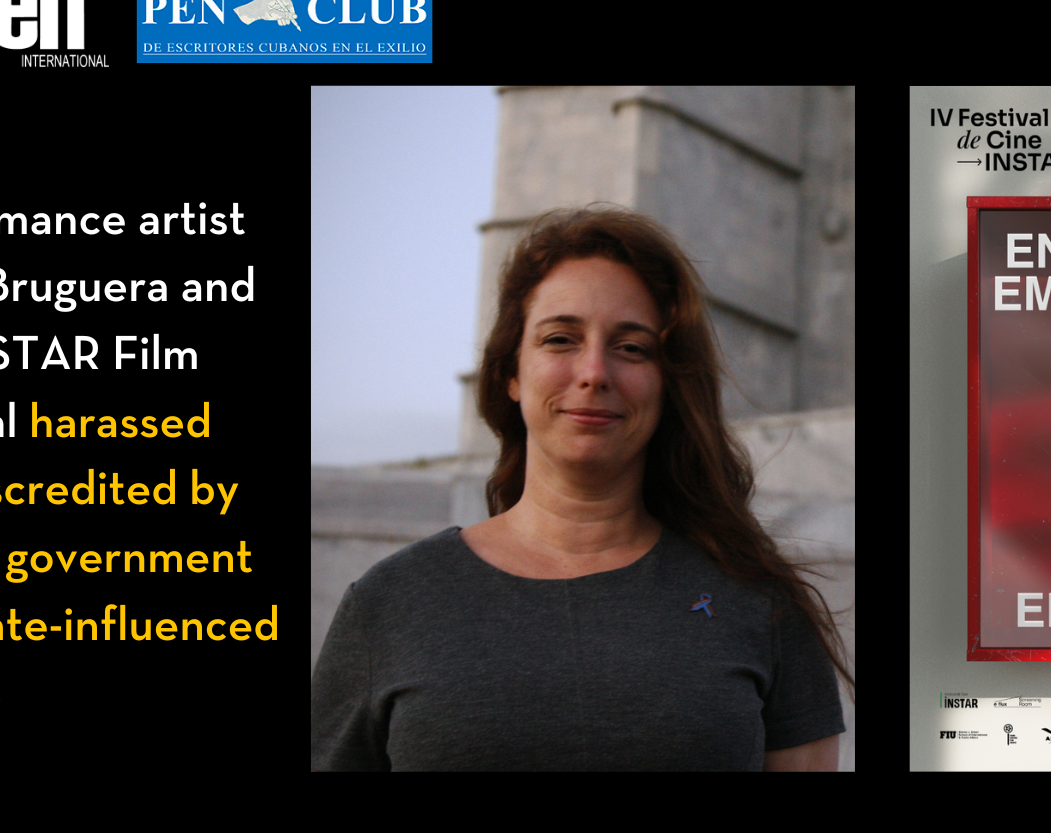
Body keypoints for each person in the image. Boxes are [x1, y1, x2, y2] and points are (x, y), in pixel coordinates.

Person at [311, 206, 852, 771]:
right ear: (511, 374)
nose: (594, 371)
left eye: (632, 347)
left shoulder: (759, 604)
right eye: (561, 338)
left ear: (669, 384)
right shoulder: (389, 604)